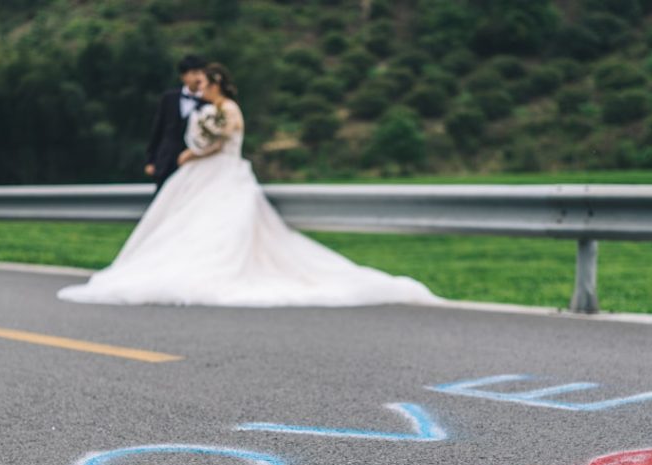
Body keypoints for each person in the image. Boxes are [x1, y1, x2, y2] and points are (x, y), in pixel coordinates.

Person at [58, 64, 437, 308]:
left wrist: (194, 153)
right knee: (194, 221)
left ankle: (213, 270)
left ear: (216, 84)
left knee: (225, 223)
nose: (200, 89)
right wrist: (195, 151)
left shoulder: (228, 110)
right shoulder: (210, 111)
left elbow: (224, 138)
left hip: (225, 171)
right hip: (207, 172)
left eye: (204, 84)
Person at [143, 55, 207, 193]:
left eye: (202, 73)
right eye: (194, 73)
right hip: (165, 161)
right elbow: (158, 129)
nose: (199, 77)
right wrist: (150, 160)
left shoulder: (209, 102)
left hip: (192, 162)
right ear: (183, 76)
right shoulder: (169, 98)